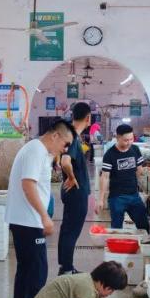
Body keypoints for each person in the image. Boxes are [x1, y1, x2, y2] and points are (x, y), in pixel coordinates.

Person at [6, 119, 75, 298]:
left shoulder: (40, 152)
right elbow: (28, 185)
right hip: (29, 221)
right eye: (65, 144)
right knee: (37, 271)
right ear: (55, 136)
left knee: (27, 270)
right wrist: (44, 216)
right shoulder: (35, 150)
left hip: (25, 220)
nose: (65, 149)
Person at [57, 103, 92, 276]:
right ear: (88, 118)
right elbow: (64, 162)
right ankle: (67, 269)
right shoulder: (73, 136)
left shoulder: (70, 135)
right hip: (76, 193)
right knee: (71, 231)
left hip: (72, 192)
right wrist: (71, 177)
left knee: (67, 229)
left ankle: (65, 266)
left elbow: (60, 160)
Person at [97, 124, 150, 230]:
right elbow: (105, 177)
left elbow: (140, 170)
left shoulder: (135, 149)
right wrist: (101, 199)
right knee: (116, 228)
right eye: (126, 140)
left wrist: (144, 186)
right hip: (117, 198)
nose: (129, 142)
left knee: (144, 225)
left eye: (131, 139)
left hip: (134, 196)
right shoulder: (110, 154)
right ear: (117, 138)